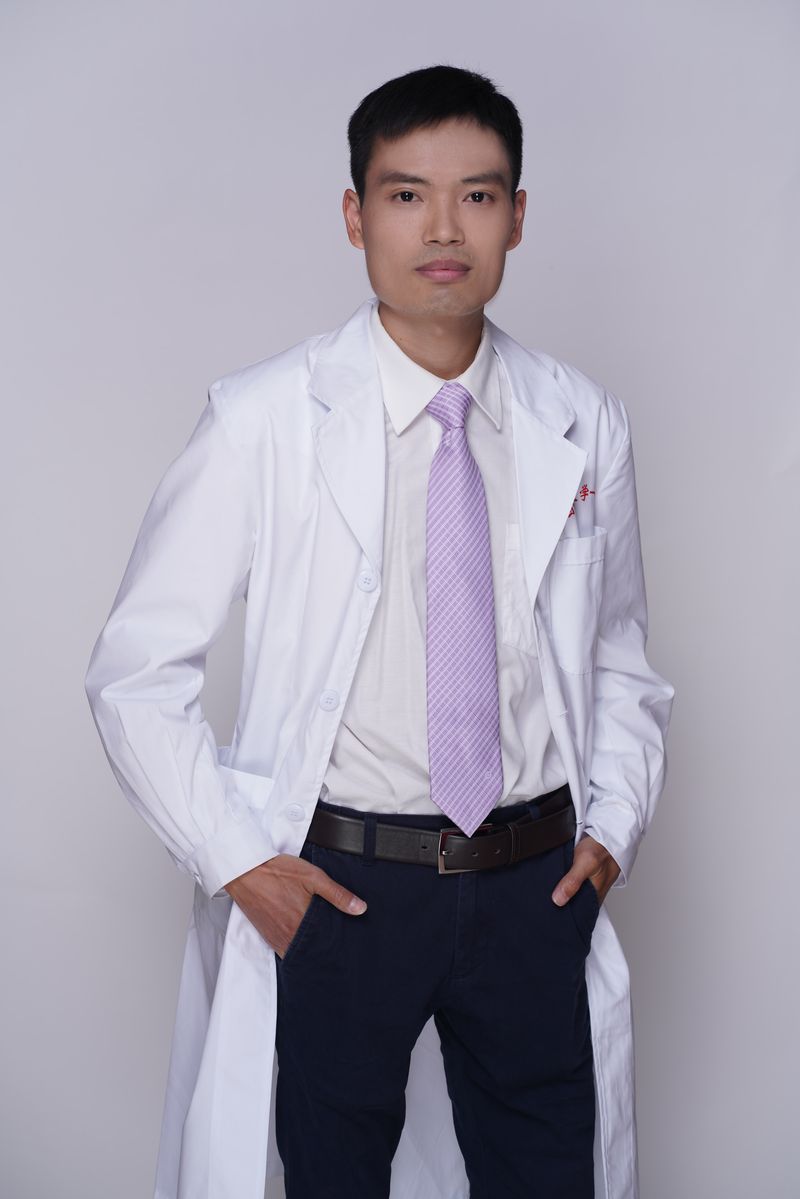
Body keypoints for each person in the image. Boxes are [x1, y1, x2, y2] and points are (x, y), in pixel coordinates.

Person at [85, 63, 674, 1199]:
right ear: (355, 216)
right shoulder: (264, 418)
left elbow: (619, 658)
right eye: (406, 195)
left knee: (549, 1172)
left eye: (477, 195)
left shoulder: (579, 419)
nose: (443, 228)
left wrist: (611, 832)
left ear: (516, 216)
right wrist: (242, 865)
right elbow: (133, 671)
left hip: (534, 880)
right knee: (333, 1176)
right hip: (345, 886)